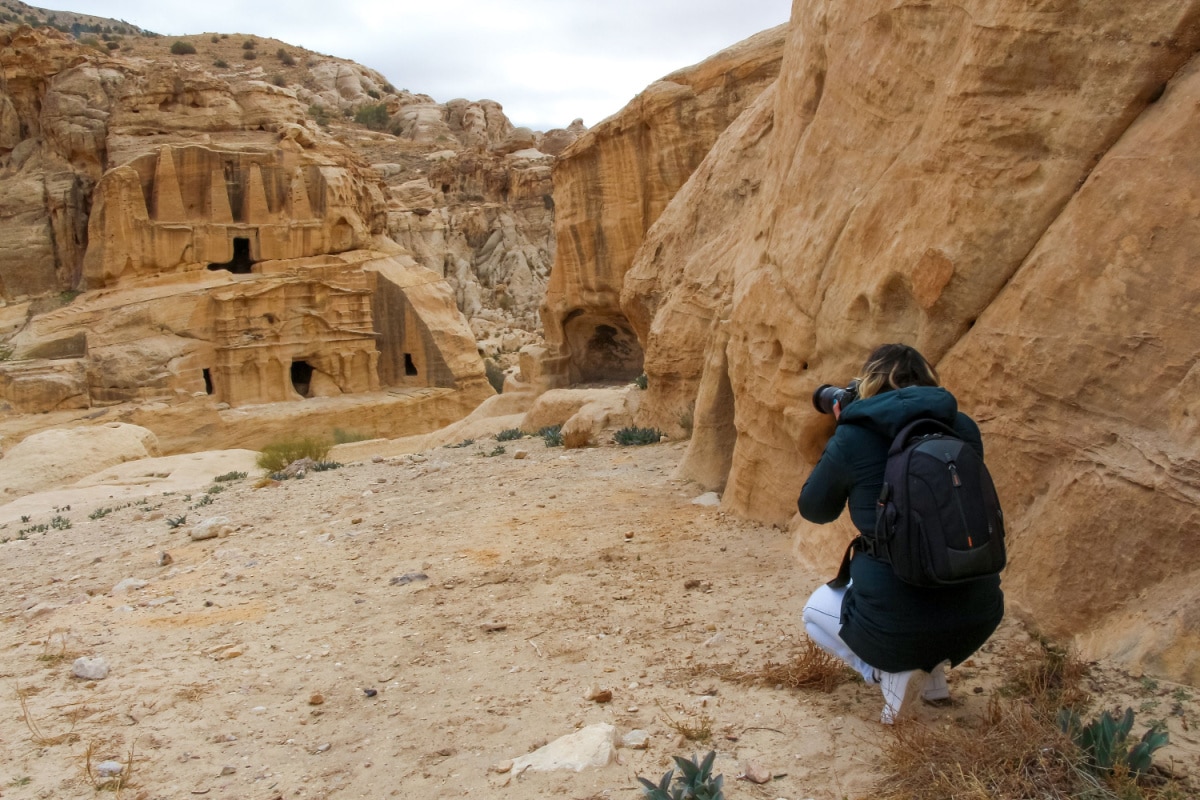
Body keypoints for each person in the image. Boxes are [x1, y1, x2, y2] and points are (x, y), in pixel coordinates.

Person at [798, 343, 1004, 723]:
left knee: (813, 612)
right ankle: (933, 679)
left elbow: (814, 509)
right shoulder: (963, 428)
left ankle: (884, 672)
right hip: (978, 618)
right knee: (935, 568)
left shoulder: (854, 436)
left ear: (868, 385)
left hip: (893, 626)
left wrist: (845, 431)